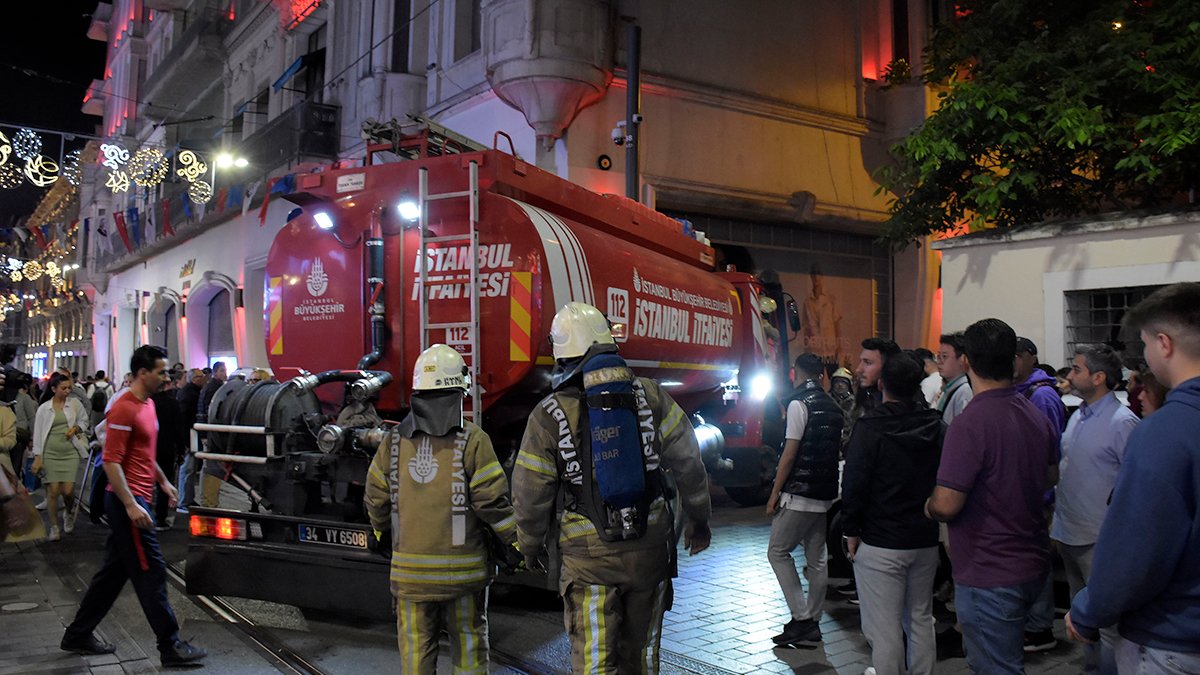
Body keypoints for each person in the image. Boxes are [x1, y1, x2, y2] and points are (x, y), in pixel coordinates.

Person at [512, 302, 712, 672]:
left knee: (594, 662)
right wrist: (699, 519)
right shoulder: (651, 396)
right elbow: (689, 464)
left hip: (588, 563)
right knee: (642, 656)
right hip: (650, 551)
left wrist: (530, 547)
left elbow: (529, 493)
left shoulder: (550, 413)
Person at [1065, 283, 1200, 672]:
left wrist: (1090, 610)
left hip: (1173, 638)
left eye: (1143, 344)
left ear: (1164, 344)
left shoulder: (1164, 432)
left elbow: (1137, 548)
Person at [364, 344, 517, 672]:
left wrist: (381, 533)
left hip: (410, 577)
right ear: (460, 391)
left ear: (417, 391)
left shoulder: (392, 442)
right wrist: (517, 542)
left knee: (417, 648)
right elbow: (492, 503)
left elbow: (376, 498)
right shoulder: (473, 440)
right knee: (470, 643)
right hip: (464, 575)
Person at [925, 318, 1059, 674]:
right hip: (1030, 561)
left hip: (990, 570)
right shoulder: (1032, 410)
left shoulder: (972, 421)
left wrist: (927, 505)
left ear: (966, 361)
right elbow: (1050, 475)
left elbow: (946, 504)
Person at [60, 345, 206, 666]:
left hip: (141, 496)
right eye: (161, 372)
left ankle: (78, 634)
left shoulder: (149, 405)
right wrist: (130, 504)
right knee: (150, 572)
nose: (167, 377)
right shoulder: (124, 408)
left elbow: (144, 453)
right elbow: (111, 461)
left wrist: (163, 482)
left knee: (113, 574)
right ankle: (170, 645)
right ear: (143, 373)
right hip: (127, 501)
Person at [843, 352, 944, 675]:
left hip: (881, 539)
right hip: (924, 537)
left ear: (883, 382)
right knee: (920, 619)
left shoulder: (870, 426)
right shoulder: (935, 424)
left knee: (883, 630)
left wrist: (851, 530)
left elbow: (855, 483)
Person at [1053, 344, 1139, 673]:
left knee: (1107, 624)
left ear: (1099, 377)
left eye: (1077, 369)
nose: (1070, 375)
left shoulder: (1122, 421)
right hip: (1070, 531)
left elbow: (1131, 484)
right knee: (1082, 621)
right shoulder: (1079, 414)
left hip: (1100, 537)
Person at [764, 352, 844, 647]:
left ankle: (802, 620)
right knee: (818, 558)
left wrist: (775, 493)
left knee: (778, 551)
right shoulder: (835, 408)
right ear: (822, 375)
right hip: (824, 495)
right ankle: (813, 618)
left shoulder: (798, 403)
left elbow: (789, 454)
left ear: (796, 373)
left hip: (798, 494)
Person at [31, 372, 90, 541]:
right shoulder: (44, 408)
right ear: (53, 389)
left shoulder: (75, 404)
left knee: (68, 490)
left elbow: (85, 421)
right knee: (53, 491)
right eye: (63, 388)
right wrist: (38, 456)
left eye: (69, 388)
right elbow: (38, 433)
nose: (67, 391)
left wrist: (77, 429)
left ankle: (69, 512)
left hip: (70, 451)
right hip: (50, 452)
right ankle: (54, 527)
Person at [151, 370, 186, 531]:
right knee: (163, 483)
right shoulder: (172, 403)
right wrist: (180, 450)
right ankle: (160, 518)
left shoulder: (148, 402)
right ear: (168, 384)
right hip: (166, 448)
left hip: (147, 448)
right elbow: (179, 429)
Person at [936, 332, 974, 424]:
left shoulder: (965, 391)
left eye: (944, 357)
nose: (939, 362)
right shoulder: (950, 388)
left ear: (962, 359)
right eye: (938, 356)